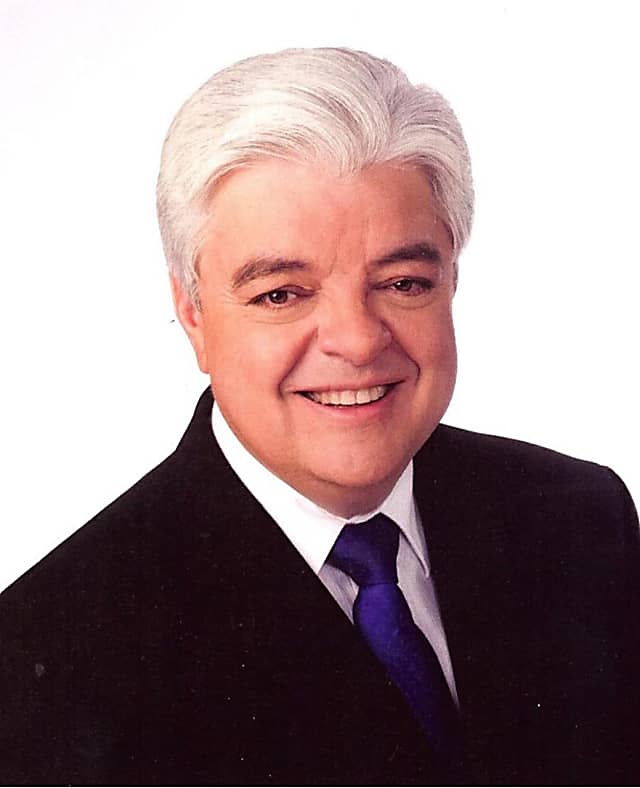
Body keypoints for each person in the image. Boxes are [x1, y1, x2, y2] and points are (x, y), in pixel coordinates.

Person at [0, 47, 638, 785]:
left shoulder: (581, 520)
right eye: (282, 293)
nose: (359, 340)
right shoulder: (50, 654)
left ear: (452, 279)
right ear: (192, 313)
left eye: (402, 282)